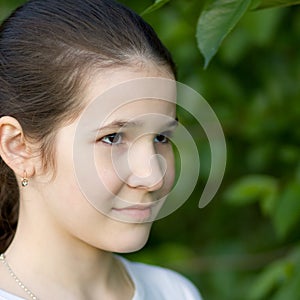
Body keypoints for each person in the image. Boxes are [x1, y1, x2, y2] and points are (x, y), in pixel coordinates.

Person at [0, 0, 202, 299]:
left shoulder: (175, 292)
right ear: (18, 147)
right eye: (113, 138)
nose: (153, 177)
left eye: (161, 137)